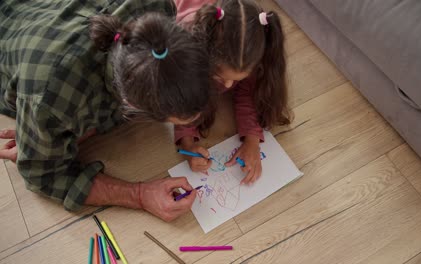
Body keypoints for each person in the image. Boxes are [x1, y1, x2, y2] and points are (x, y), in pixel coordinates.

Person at [0, 0, 210, 222]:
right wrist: (140, 195)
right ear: (131, 105)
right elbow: (44, 174)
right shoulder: (52, 98)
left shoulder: (159, 7)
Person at [174, 0, 292, 184]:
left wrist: (252, 139)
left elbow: (247, 93)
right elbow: (180, 100)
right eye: (220, 77)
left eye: (237, 79)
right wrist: (187, 143)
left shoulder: (249, 48)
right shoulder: (187, 53)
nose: (228, 86)